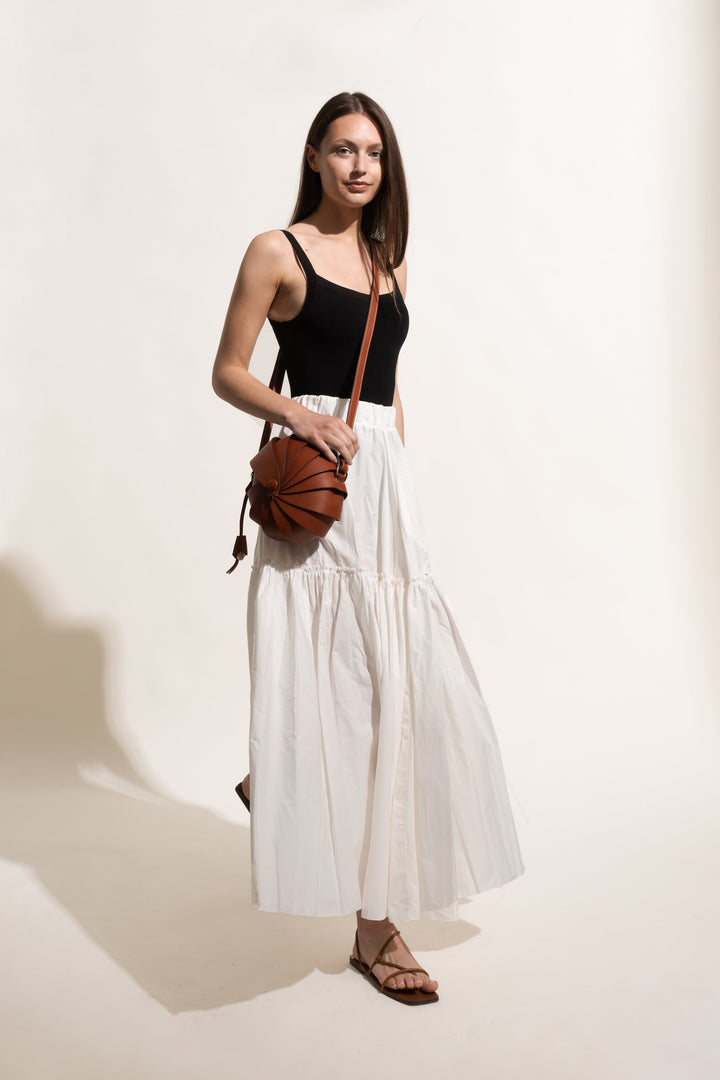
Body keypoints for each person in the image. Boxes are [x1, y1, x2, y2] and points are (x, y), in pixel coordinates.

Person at [212, 91, 525, 1006]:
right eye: (343, 149)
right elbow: (228, 370)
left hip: (382, 488)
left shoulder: (387, 260)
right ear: (314, 156)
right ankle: (376, 931)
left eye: (374, 153)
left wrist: (401, 479)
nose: (359, 166)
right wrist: (300, 417)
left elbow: (387, 389)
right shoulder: (279, 250)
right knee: (352, 686)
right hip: (319, 480)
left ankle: (276, 780)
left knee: (399, 684)